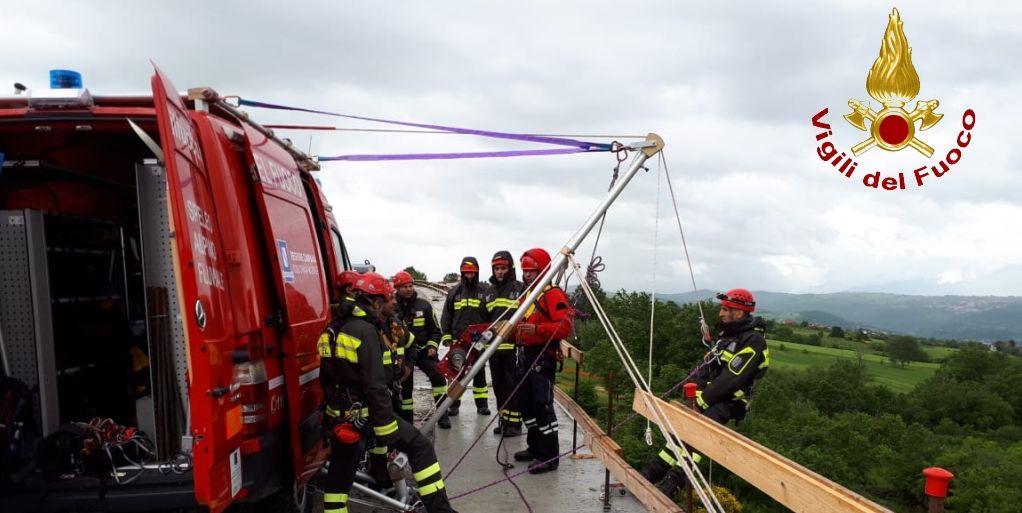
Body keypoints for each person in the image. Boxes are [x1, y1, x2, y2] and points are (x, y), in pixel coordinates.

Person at [318, 272, 457, 513]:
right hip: (366, 416)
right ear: (376, 302)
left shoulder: (333, 329)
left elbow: (327, 379)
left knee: (338, 484)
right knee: (420, 447)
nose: (393, 302)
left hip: (341, 418)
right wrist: (386, 428)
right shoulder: (366, 332)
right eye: (389, 297)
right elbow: (374, 385)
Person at [640, 288, 769, 498]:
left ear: (739, 313)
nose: (721, 314)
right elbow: (708, 366)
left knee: (697, 441)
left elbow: (732, 379)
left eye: (725, 309)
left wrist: (701, 400)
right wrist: (692, 386)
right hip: (707, 397)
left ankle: (670, 487)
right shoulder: (727, 337)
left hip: (727, 403)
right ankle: (650, 474)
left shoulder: (753, 341)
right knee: (677, 438)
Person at [512, 248, 574, 474]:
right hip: (525, 355)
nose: (527, 275)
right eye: (525, 271)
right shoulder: (529, 294)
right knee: (526, 404)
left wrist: (537, 329)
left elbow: (565, 326)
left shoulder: (552, 294)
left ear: (542, 270)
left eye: (532, 271)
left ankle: (550, 456)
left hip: (541, 357)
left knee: (542, 405)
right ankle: (535, 447)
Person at [393, 270, 452, 429]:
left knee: (439, 378)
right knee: (405, 388)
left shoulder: (424, 305)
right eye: (404, 286)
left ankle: (442, 415)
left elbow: (435, 330)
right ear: (397, 288)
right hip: (403, 355)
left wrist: (433, 345)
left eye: (411, 285)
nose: (409, 289)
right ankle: (407, 423)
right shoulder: (392, 308)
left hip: (424, 351)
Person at [482, 250, 525, 437]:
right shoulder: (489, 292)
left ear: (510, 268)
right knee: (499, 388)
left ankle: (515, 425)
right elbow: (483, 320)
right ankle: (504, 421)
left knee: (512, 388)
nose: (499, 272)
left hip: (512, 350)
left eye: (503, 268)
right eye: (497, 268)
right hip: (493, 350)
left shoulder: (520, 288)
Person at [440, 256, 490, 417]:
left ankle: (482, 405)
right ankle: (454, 404)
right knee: (456, 373)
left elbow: (490, 316)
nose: (469, 276)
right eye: (466, 273)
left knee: (479, 372)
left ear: (477, 273)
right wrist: (447, 336)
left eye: (472, 273)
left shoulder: (484, 292)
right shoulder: (454, 292)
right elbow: (446, 315)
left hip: (479, 340)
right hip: (458, 340)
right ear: (462, 273)